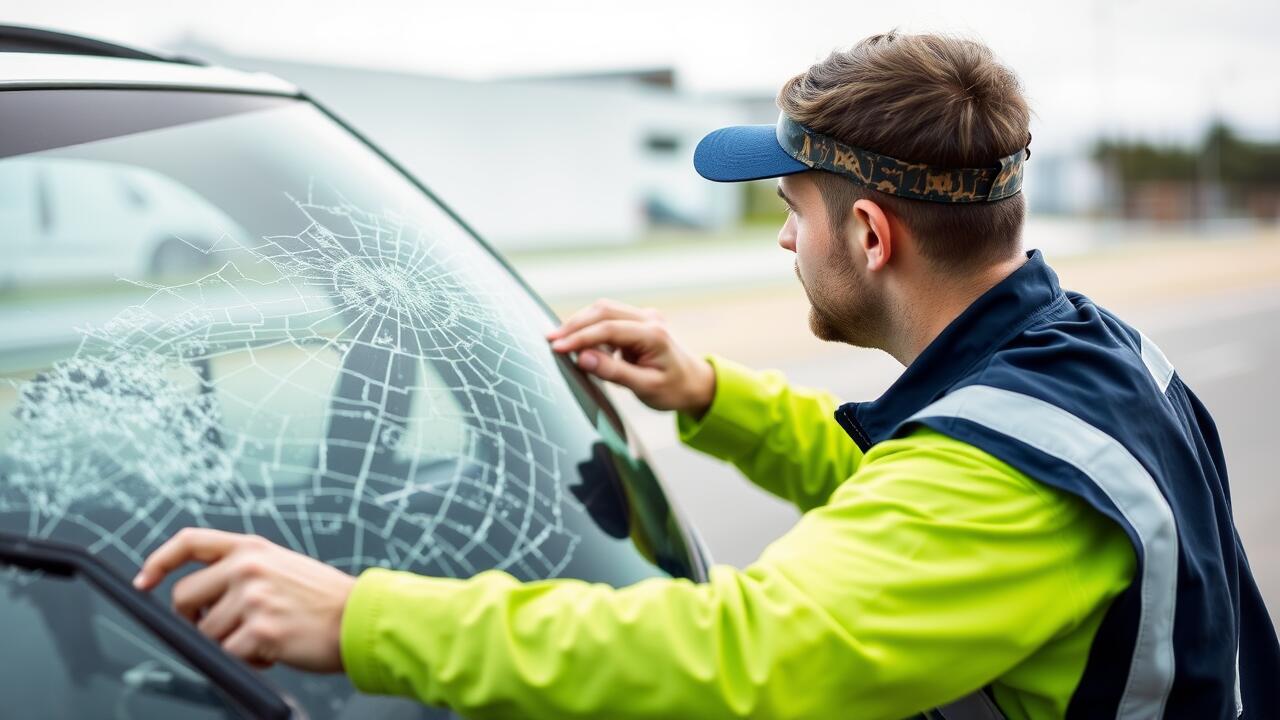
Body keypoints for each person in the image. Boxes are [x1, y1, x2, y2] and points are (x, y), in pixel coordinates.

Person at [133, 32, 1279, 719]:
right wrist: (714, 397)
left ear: (869, 237)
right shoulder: (1082, 357)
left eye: (794, 212)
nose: (786, 241)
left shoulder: (1002, 481)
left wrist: (365, 618)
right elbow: (911, 499)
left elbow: (740, 659)